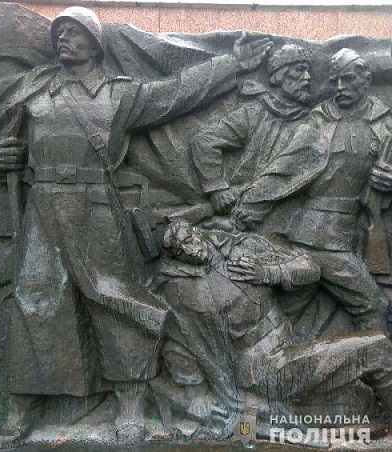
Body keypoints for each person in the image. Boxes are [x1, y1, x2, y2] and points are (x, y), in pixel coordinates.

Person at [0, 6, 273, 448]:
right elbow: (10, 142)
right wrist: (2, 155)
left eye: (74, 32)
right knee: (37, 303)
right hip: (42, 208)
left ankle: (129, 402)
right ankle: (22, 406)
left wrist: (231, 64)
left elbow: (178, 93)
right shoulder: (35, 90)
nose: (63, 38)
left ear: (95, 44)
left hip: (97, 207)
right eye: (59, 32)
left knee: (117, 302)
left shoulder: (118, 95)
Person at [155, 220, 392, 439]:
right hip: (267, 368)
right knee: (377, 349)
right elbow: (178, 340)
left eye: (189, 241)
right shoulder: (179, 290)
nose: (189, 251)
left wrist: (269, 272)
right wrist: (195, 393)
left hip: (292, 340)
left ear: (197, 232)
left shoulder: (240, 248)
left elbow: (309, 267)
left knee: (362, 402)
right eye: (180, 252)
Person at [234, 48, 392, 332]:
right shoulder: (321, 121)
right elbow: (286, 168)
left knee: (288, 315)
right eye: (335, 81)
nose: (340, 87)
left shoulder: (384, 122)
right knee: (374, 308)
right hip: (320, 238)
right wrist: (248, 208)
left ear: (366, 79)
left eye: (347, 79)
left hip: (356, 236)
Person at [192, 44, 311, 221]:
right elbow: (205, 141)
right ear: (280, 75)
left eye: (308, 71)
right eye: (300, 70)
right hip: (242, 210)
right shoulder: (255, 112)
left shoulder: (315, 120)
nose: (308, 77)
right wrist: (217, 189)